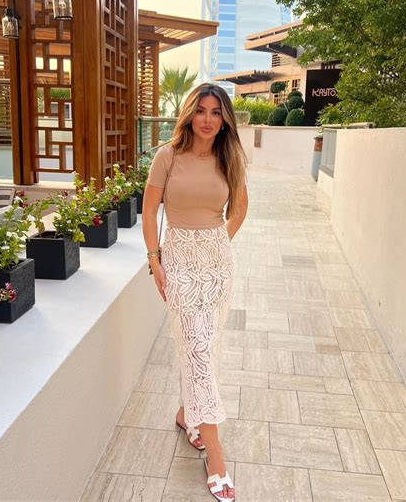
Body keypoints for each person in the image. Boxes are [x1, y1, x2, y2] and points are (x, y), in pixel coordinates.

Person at [142, 83, 248, 501]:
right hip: (179, 261)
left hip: (217, 264)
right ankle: (216, 456)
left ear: (225, 120)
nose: (208, 119)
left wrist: (218, 243)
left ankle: (188, 413)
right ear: (189, 114)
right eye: (201, 110)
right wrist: (155, 260)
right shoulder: (167, 156)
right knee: (197, 348)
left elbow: (240, 207)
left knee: (206, 346)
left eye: (216, 112)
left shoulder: (229, 156)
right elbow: (149, 210)